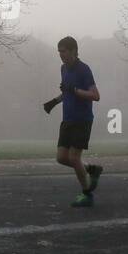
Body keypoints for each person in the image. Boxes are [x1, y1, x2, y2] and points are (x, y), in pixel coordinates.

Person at [45, 37, 102, 207]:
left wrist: (75, 90)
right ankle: (92, 169)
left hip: (82, 120)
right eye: (59, 52)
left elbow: (95, 95)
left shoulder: (84, 69)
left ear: (73, 51)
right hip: (67, 119)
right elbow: (67, 92)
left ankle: (87, 194)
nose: (61, 55)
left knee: (74, 157)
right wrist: (54, 102)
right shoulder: (64, 69)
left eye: (63, 51)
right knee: (62, 158)